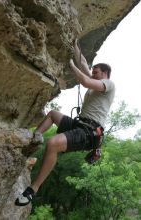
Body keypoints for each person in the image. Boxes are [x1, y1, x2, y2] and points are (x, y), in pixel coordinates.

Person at [15, 39, 115, 206]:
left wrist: (70, 64)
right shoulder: (97, 81)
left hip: (89, 133)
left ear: (104, 73)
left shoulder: (108, 84)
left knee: (53, 143)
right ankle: (34, 140)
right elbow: (83, 63)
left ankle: (33, 189)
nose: (93, 73)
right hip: (81, 124)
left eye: (96, 72)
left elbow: (85, 81)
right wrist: (74, 45)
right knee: (52, 114)